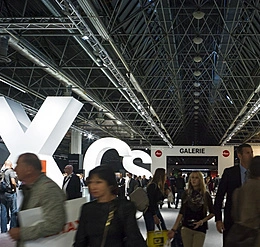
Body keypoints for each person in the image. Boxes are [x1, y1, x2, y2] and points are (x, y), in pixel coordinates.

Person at [73, 165, 147, 247]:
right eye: (90, 182)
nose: (92, 186)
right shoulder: (87, 208)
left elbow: (134, 239)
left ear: (110, 184)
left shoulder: (124, 207)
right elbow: (80, 241)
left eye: (98, 182)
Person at [8, 152, 66, 247]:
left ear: (29, 169)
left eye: (18, 165)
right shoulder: (31, 188)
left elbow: (55, 223)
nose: (15, 169)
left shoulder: (48, 189)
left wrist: (22, 233)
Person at [214, 143, 253, 246]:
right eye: (248, 153)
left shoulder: (256, 174)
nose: (251, 155)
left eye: (251, 152)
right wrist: (218, 219)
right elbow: (219, 196)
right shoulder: (229, 173)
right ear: (239, 155)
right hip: (231, 220)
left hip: (251, 222)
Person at [168, 171, 214, 247]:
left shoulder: (205, 195)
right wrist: (174, 229)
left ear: (200, 180)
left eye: (196, 178)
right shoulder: (186, 194)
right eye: (192, 178)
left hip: (200, 228)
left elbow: (212, 212)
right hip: (186, 227)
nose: (194, 180)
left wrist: (202, 221)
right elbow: (181, 212)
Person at [227, 155, 260, 247]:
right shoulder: (258, 188)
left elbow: (234, 214)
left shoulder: (239, 190)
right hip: (255, 236)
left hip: (241, 235)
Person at [2, 160, 18, 231]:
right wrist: (14, 189)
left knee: (3, 212)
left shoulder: (2, 172)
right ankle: (12, 228)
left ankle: (3, 230)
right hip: (10, 193)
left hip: (2, 194)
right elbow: (13, 182)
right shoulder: (10, 171)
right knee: (13, 211)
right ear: (11, 165)